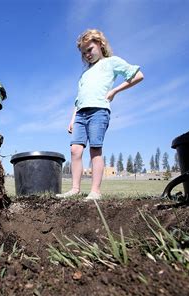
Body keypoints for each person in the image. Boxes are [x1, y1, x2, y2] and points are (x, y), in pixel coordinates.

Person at [57, 29, 144, 201]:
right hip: (81, 114)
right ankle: (75, 189)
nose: (87, 55)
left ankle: (95, 191)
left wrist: (115, 91)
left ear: (100, 44)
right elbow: (79, 98)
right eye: (83, 53)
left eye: (89, 49)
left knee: (95, 149)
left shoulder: (112, 62)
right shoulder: (85, 73)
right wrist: (73, 119)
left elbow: (138, 76)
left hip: (99, 111)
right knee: (75, 150)